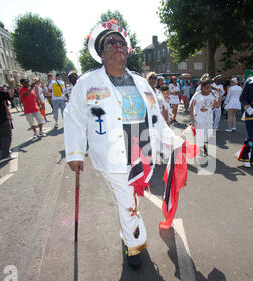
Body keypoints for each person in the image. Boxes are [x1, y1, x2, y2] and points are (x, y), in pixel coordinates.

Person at [64, 20, 182, 268]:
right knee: (129, 202)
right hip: (113, 156)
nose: (118, 46)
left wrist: (174, 141)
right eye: (111, 42)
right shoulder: (88, 83)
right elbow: (73, 117)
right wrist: (75, 152)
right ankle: (135, 245)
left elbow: (155, 118)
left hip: (142, 153)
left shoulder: (140, 82)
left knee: (133, 200)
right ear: (101, 52)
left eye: (121, 43)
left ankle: (127, 233)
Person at [189, 74, 221, 156]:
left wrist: (219, 94)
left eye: (209, 87)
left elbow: (216, 105)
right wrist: (192, 118)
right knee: (200, 134)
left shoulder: (211, 95)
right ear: (202, 87)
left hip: (209, 117)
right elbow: (191, 106)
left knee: (208, 134)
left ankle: (202, 145)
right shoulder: (197, 95)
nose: (208, 89)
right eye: (206, 87)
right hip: (199, 117)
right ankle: (202, 148)